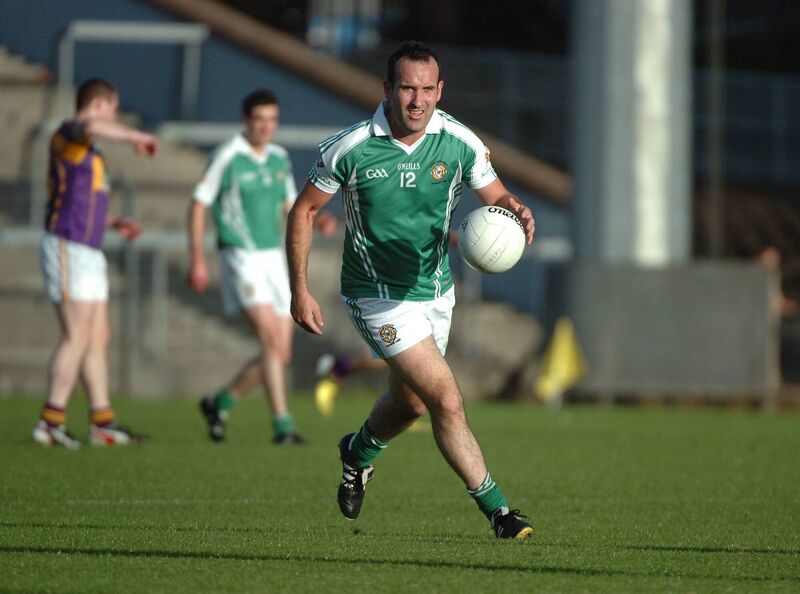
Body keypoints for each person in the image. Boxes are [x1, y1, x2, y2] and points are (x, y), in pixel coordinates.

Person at [287, 41, 536, 539]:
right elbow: (305, 211)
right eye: (407, 88)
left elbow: (496, 194)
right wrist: (300, 290)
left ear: (440, 90)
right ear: (387, 90)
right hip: (375, 294)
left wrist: (515, 207)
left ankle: (357, 453)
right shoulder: (351, 146)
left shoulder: (459, 140)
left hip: (436, 290)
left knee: (412, 405)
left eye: (427, 89)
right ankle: (499, 511)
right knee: (446, 398)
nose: (417, 100)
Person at [188, 89, 336, 445]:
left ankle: (220, 402)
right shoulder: (228, 157)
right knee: (271, 340)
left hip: (274, 259)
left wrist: (320, 220)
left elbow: (290, 205)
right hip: (240, 256)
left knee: (281, 351)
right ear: (246, 121)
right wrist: (196, 257)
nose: (267, 126)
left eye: (272, 119)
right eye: (260, 119)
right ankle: (283, 425)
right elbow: (199, 204)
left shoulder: (278, 158)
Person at [34, 78, 159, 448]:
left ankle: (102, 421)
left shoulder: (90, 154)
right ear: (103, 103)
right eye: (114, 108)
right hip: (67, 245)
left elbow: (81, 202)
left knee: (97, 337)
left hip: (89, 248)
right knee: (76, 335)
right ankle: (50, 421)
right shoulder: (70, 133)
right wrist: (136, 136)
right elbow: (90, 124)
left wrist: (116, 221)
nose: (114, 115)